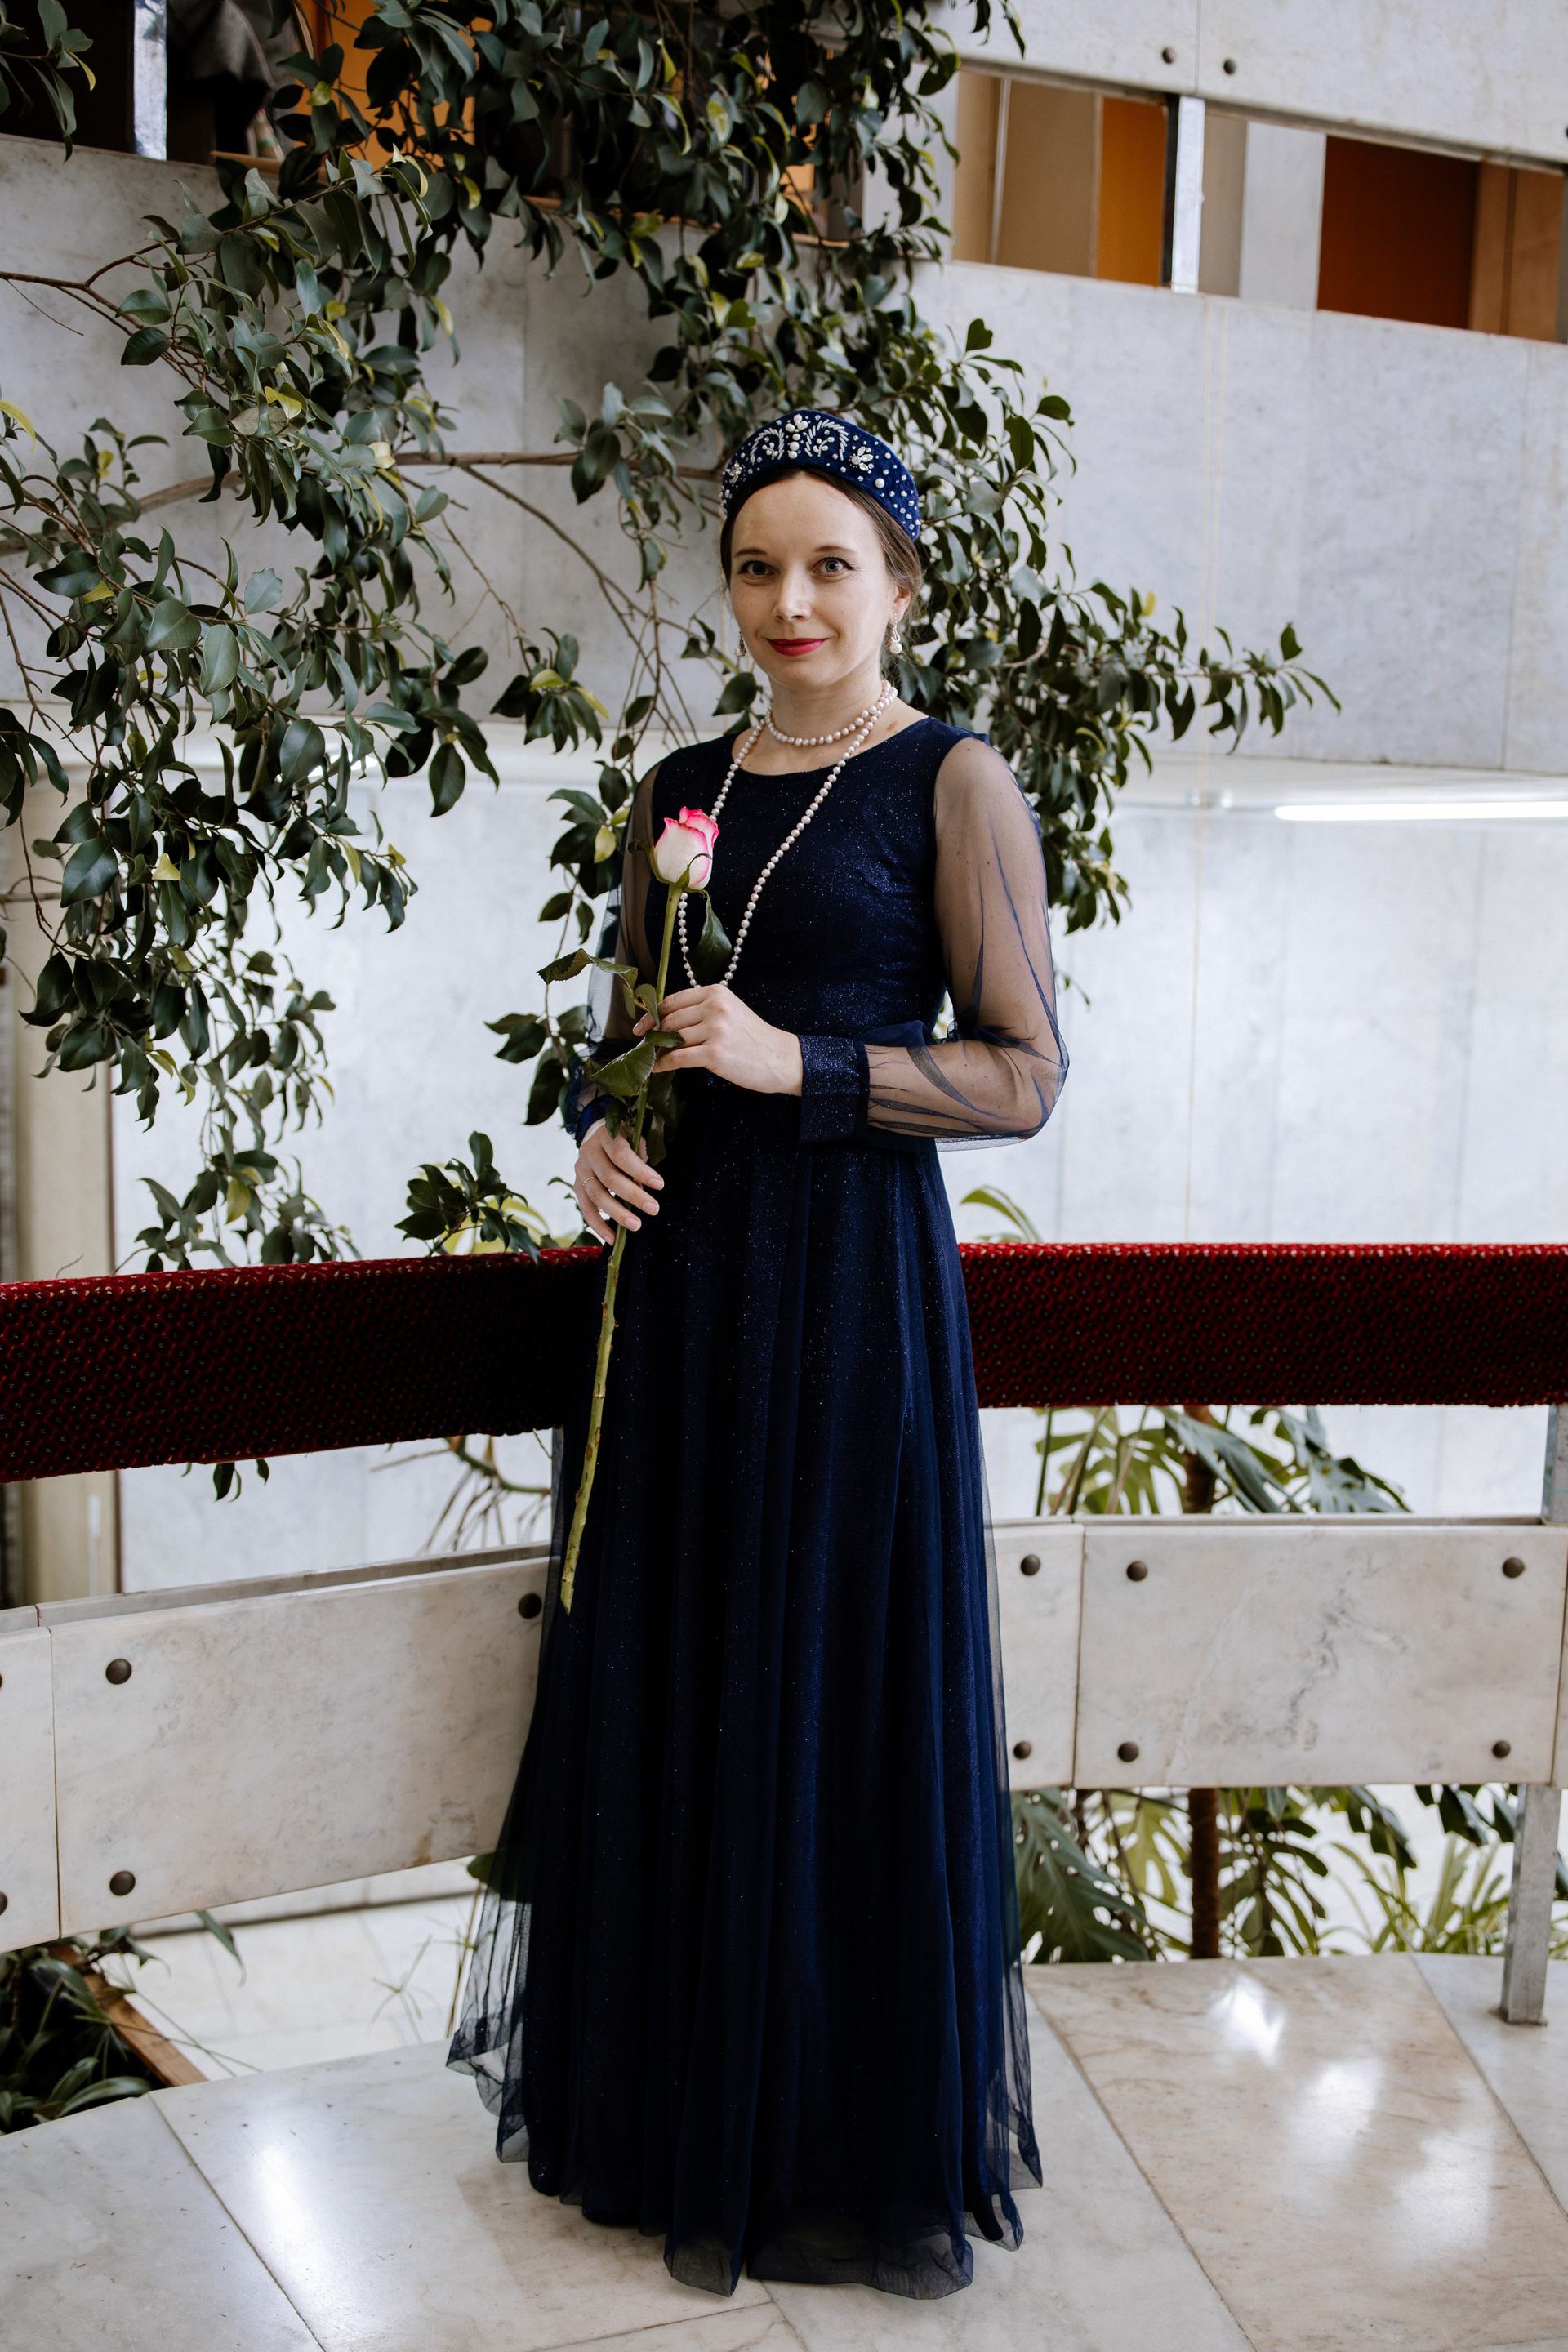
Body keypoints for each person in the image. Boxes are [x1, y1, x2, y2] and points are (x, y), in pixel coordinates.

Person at [450, 407, 1067, 2301]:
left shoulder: (954, 781)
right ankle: (667, 2119)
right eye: (757, 565)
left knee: (822, 1677)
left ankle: (816, 2149)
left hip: (853, 1296)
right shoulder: (683, 784)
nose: (791, 600)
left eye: (829, 566)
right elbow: (633, 1026)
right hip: (682, 1299)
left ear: (899, 585)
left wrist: (797, 1061)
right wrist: (601, 1128)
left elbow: (1022, 1079)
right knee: (687, 1666)